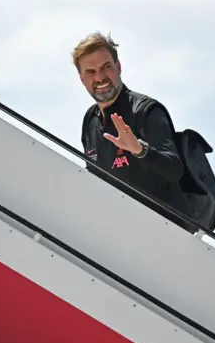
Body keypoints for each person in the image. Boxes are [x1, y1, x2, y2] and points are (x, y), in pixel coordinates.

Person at [74, 31, 194, 231]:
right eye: (91, 72)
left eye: (106, 67)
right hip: (120, 232)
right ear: (82, 79)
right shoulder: (90, 121)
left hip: (167, 233)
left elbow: (174, 170)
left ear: (118, 67)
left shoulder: (146, 111)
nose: (100, 77)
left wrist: (140, 150)